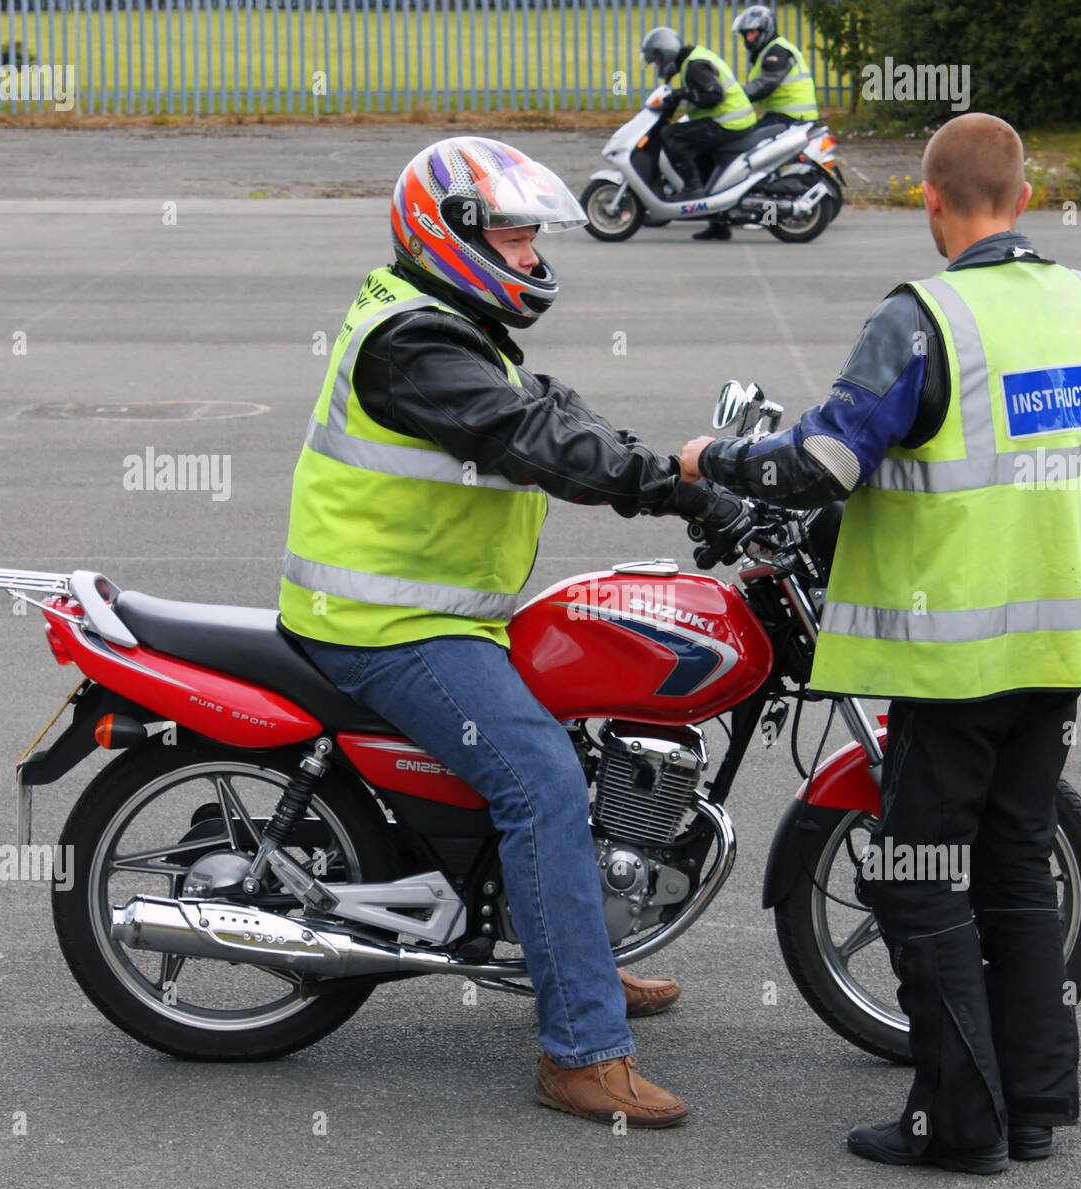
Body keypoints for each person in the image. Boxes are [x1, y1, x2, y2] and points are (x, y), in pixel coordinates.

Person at [680, 112, 1081, 1172]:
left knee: (916, 872)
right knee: (1014, 866)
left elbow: (821, 463)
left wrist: (718, 457)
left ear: (930, 201)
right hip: (1058, 643)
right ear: (1022, 197)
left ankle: (955, 1124)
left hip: (954, 650)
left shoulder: (924, 318)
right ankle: (1033, 1106)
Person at [278, 136, 750, 1128]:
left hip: (433, 614)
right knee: (540, 780)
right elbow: (528, 438)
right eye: (513, 234)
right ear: (448, 235)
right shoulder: (418, 345)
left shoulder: (453, 322)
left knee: (570, 746)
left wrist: (674, 471)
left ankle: (577, 960)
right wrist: (668, 487)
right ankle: (579, 1048)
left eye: (533, 235)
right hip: (386, 624)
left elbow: (551, 411)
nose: (531, 254)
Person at [641, 25, 755, 241]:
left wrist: (681, 93)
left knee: (671, 135)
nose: (657, 66)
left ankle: (693, 189)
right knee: (702, 161)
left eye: (656, 61)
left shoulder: (693, 66)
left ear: (665, 54)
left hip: (729, 123)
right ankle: (718, 224)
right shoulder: (691, 61)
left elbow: (713, 94)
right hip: (730, 121)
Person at [732, 5, 820, 128]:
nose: (749, 39)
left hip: (794, 118)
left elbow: (765, 85)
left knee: (746, 140)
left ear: (766, 29)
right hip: (782, 116)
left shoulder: (778, 51)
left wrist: (732, 95)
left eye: (752, 33)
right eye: (746, 34)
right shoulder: (767, 50)